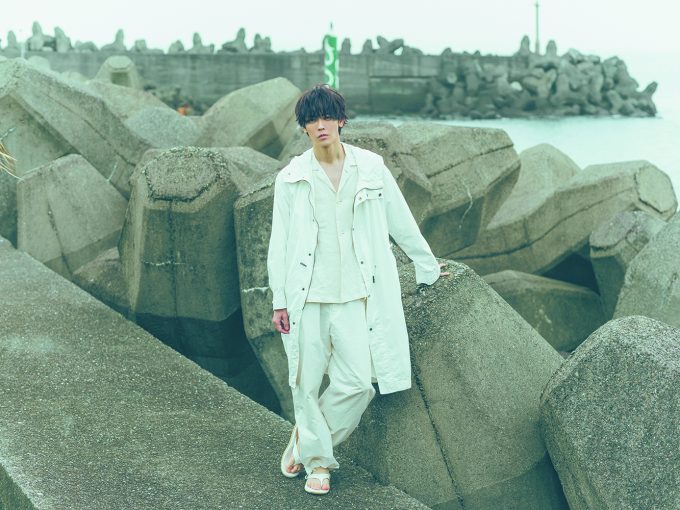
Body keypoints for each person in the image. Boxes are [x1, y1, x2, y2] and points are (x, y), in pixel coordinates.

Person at [267, 84, 449, 495]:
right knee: (304, 384)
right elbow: (279, 243)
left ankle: (305, 442)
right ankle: (318, 465)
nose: (320, 125)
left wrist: (426, 264)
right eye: (311, 120)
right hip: (305, 296)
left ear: (341, 120)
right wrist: (279, 300)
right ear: (304, 128)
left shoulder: (370, 168)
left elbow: (401, 220)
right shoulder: (291, 177)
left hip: (355, 295)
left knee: (358, 385)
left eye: (326, 117)